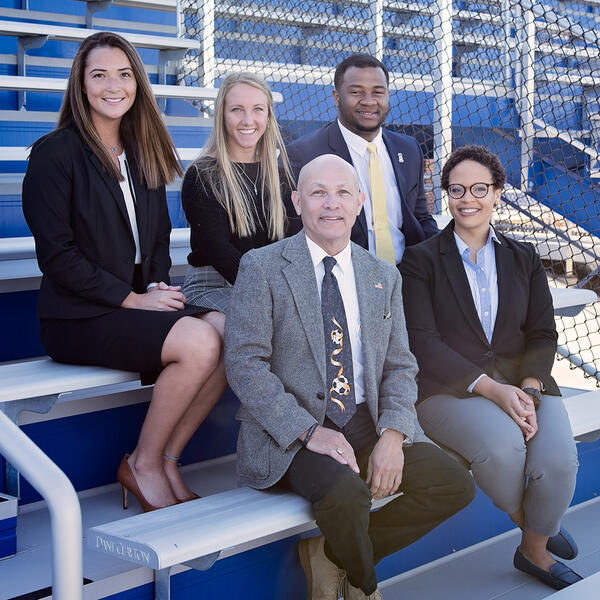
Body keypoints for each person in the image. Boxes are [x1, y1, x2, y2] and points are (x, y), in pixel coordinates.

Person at [224, 154, 475, 600]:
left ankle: (337, 555)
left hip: (364, 419)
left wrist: (394, 435)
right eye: (318, 193)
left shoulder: (381, 275)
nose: (331, 204)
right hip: (289, 429)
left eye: (343, 193)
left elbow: (400, 364)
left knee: (453, 483)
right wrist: (307, 431)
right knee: (346, 494)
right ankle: (365, 585)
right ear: (298, 201)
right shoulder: (262, 267)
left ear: (360, 202)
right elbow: (245, 364)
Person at [22, 31, 227, 512]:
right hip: (76, 316)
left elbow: (156, 240)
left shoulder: (143, 151)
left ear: (138, 82)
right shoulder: (54, 154)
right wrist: (134, 300)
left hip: (133, 304)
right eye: (99, 75)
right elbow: (57, 257)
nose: (113, 86)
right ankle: (143, 463)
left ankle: (168, 458)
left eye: (124, 74)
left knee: (226, 328)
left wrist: (155, 284)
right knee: (199, 341)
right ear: (81, 84)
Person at [399, 145, 582, 591]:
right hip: (448, 391)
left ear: (498, 193)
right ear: (445, 195)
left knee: (558, 460)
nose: (468, 199)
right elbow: (422, 342)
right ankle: (536, 545)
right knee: (503, 448)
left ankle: (536, 535)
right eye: (457, 189)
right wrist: (492, 389)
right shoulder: (420, 261)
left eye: (480, 188)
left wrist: (530, 387)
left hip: (525, 381)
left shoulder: (523, 257)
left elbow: (542, 333)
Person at [286, 54, 438, 266]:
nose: (368, 101)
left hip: (407, 275)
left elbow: (420, 217)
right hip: (342, 277)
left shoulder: (409, 148)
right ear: (337, 97)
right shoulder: (305, 154)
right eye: (356, 92)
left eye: (378, 92)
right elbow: (295, 231)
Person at [181, 71, 295, 334]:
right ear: (222, 114)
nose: (248, 120)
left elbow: (293, 242)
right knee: (259, 328)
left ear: (268, 116)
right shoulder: (202, 175)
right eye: (237, 110)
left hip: (267, 287)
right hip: (213, 285)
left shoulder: (281, 175)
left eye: (258, 109)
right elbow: (220, 253)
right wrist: (272, 298)